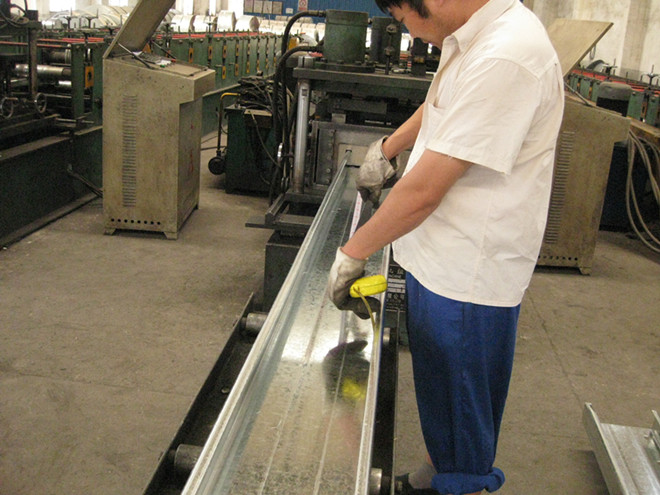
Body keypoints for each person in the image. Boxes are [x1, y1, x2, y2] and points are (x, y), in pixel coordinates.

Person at [326, 0, 565, 494]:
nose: (410, 33)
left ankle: (460, 484)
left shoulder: (507, 54)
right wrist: (387, 149)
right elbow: (441, 106)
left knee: (460, 417)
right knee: (442, 398)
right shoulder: (473, 36)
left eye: (403, 19)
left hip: (468, 274)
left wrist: (352, 253)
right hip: (440, 257)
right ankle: (434, 475)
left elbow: (425, 190)